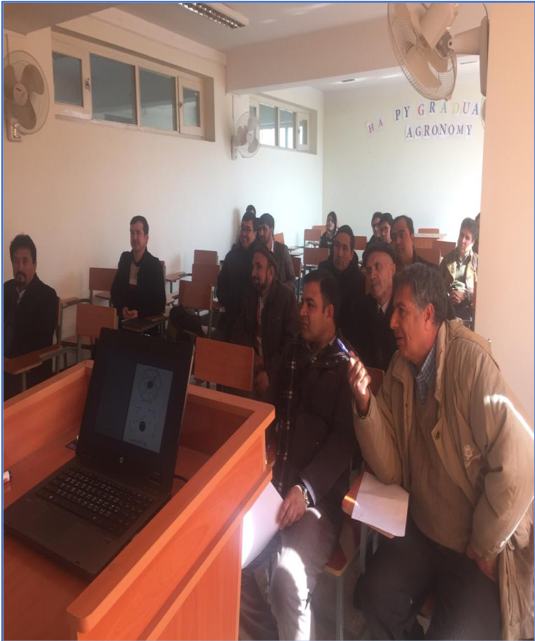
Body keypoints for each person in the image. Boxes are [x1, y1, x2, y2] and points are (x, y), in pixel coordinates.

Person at [348, 263, 534, 641]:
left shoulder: (470, 362)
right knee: (373, 597)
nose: (391, 322)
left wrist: (483, 547)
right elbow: (390, 469)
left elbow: (520, 460)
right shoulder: (400, 368)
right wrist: (365, 404)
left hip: (471, 548)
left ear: (429, 314)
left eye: (401, 311)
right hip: (422, 532)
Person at [240, 269, 358, 641]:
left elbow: (344, 443)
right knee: (226, 560)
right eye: (300, 303)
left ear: (330, 313)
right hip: (276, 485)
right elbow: (267, 413)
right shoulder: (292, 354)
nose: (301, 312)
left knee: (285, 582)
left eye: (310, 304)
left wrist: (305, 490)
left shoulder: (346, 366)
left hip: (318, 500)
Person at [232, 244, 299, 398]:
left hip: (276, 369)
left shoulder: (285, 298)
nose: (253, 273)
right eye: (252, 267)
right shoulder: (250, 295)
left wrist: (268, 368)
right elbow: (238, 331)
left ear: (270, 273)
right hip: (251, 363)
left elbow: (291, 344)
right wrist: (252, 356)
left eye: (258, 267)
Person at [4, 234, 58, 399]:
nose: (19, 267)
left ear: (34, 265)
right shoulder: (6, 289)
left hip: (27, 369)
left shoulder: (47, 296)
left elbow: (40, 343)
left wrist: (9, 361)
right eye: (15, 261)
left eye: (25, 261)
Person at [110, 216, 166, 324]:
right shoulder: (125, 259)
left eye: (138, 233)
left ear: (146, 238)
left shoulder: (154, 265)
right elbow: (114, 291)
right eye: (132, 232)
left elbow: (160, 304)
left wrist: (140, 313)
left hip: (145, 324)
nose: (134, 237)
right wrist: (121, 308)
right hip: (124, 322)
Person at [318, 224, 365, 347]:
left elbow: (355, 323)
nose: (339, 253)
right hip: (319, 334)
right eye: (337, 246)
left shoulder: (359, 280)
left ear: (351, 254)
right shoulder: (322, 271)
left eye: (345, 248)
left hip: (345, 341)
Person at [354, 242, 397, 372]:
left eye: (377, 267)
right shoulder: (360, 308)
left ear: (392, 270)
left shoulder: (403, 309)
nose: (372, 276)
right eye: (369, 270)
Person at [217, 211, 258, 339]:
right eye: (242, 228)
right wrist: (227, 301)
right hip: (231, 312)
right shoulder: (231, 256)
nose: (244, 233)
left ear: (255, 233)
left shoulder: (259, 259)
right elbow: (221, 284)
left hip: (252, 318)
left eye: (248, 229)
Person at [439, 217, 478, 325]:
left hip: (467, 308)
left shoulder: (477, 262)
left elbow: (481, 293)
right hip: (448, 306)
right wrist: (448, 296)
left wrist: (465, 295)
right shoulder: (447, 259)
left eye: (467, 238)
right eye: (461, 235)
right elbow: (436, 285)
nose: (462, 240)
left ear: (473, 242)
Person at [257, 213, 295, 290]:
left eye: (264, 229)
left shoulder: (282, 250)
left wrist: (279, 289)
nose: (261, 233)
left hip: (281, 293)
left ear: (271, 230)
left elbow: (292, 280)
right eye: (259, 229)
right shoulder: (257, 252)